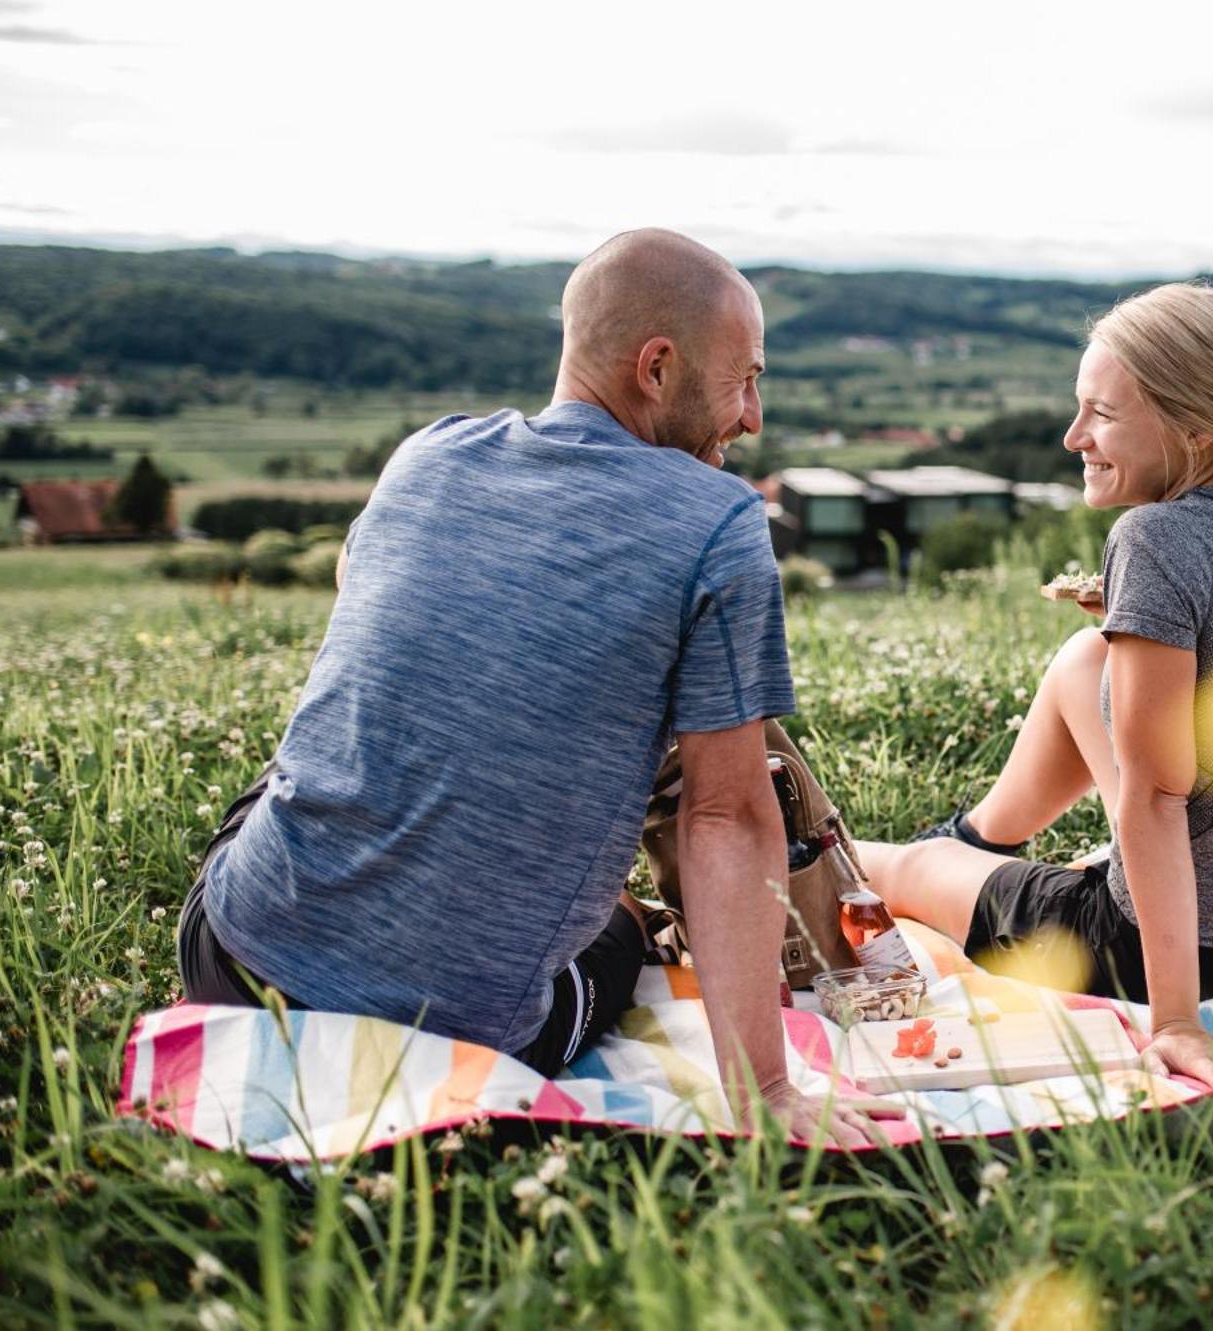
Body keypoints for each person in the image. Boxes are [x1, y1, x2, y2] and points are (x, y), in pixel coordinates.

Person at [176, 228, 904, 1147]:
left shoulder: (425, 455)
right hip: (446, 1038)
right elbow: (725, 819)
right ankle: (631, 920)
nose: (752, 415)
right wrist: (765, 1089)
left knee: (293, 775)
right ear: (657, 368)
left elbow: (370, 622)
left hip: (231, 956)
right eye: (745, 378)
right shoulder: (720, 522)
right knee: (619, 937)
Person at [855, 282, 1213, 1088]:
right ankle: (983, 838)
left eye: (1100, 413)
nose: (1073, 437)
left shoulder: (1154, 536)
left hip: (1179, 959)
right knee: (1084, 660)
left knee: (914, 874)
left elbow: (1158, 797)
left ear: (1194, 427)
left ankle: (846, 861)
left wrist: (1174, 1020)